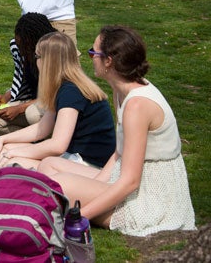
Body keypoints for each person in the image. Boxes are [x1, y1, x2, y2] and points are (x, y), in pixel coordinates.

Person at [39, 26, 196, 237]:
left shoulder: (137, 105)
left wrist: (79, 217)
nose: (90, 57)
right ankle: (92, 209)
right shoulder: (122, 91)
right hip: (125, 177)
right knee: (49, 164)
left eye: (93, 53)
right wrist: (96, 183)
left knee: (58, 184)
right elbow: (119, 151)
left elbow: (131, 181)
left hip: (152, 194)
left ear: (108, 61)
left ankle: (92, 213)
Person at [0, 32, 115, 172]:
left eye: (37, 56)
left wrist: (14, 153)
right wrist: (2, 140)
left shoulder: (71, 91)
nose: (35, 61)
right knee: (7, 149)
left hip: (89, 165)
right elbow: (42, 128)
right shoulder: (63, 86)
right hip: (73, 156)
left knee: (11, 161)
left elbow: (58, 145)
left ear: (46, 61)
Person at [0, 13, 56, 136]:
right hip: (31, 99)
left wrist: (19, 109)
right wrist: (3, 99)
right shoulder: (18, 47)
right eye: (18, 45)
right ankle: (32, 138)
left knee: (32, 114)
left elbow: (55, 94)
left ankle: (49, 134)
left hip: (53, 102)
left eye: (24, 47)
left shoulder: (57, 51)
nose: (20, 50)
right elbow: (20, 81)